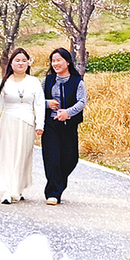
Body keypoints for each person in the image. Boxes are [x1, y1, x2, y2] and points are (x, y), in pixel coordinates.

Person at [0, 48, 45, 204]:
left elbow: (39, 104)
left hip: (27, 122)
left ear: (28, 63)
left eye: (23, 60)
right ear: (11, 63)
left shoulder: (33, 82)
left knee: (23, 155)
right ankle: (7, 190)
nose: (20, 63)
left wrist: (40, 124)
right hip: (9, 121)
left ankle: (18, 188)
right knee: (8, 154)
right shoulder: (4, 82)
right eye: (17, 60)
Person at [41, 48, 87, 205]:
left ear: (67, 61)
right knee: (52, 158)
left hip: (69, 125)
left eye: (58, 60)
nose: (55, 63)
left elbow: (82, 101)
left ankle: (58, 184)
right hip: (51, 125)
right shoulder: (47, 81)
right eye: (53, 60)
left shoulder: (76, 81)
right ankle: (53, 193)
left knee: (70, 158)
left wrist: (68, 112)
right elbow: (38, 100)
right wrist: (48, 104)